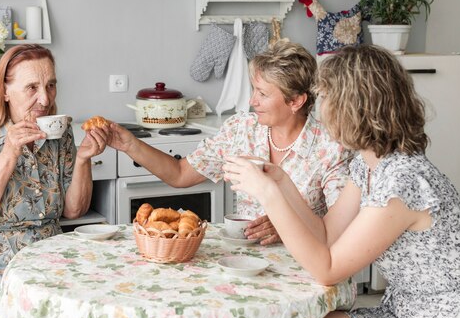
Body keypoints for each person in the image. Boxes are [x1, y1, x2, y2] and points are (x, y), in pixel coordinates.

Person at [223, 44, 460, 318]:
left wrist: (267, 193)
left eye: (325, 97)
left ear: (353, 108)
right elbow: (326, 235)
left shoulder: (401, 181)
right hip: (408, 310)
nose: (320, 109)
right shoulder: (368, 164)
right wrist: (282, 182)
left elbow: (327, 269)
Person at [109, 40, 353, 244]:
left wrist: (287, 229)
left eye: (263, 94)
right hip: (243, 261)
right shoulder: (241, 130)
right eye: (254, 90)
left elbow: (343, 230)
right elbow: (180, 174)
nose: (252, 101)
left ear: (296, 101)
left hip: (305, 266)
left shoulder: (330, 147)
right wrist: (130, 144)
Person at [0, 44, 108, 318]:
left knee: (97, 310)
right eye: (31, 87)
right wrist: (9, 152)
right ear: (4, 91)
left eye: (51, 85)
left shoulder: (59, 130)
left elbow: (73, 210)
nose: (44, 99)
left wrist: (83, 159)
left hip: (50, 258)